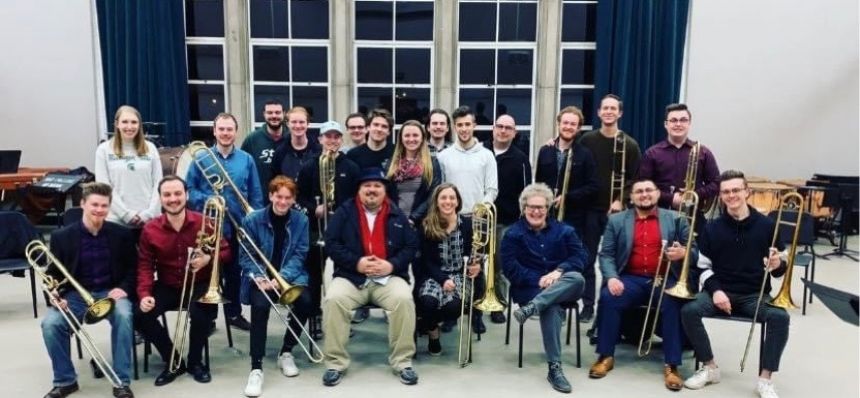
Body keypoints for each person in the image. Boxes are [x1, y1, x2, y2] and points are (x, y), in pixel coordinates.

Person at [681, 170, 790, 398]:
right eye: (726, 192)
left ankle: (765, 379)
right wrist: (717, 291)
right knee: (689, 311)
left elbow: (781, 269)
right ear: (721, 196)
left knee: (780, 317)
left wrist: (777, 263)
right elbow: (702, 266)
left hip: (754, 295)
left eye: (736, 190)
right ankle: (710, 368)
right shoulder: (712, 227)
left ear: (747, 192)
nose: (731, 195)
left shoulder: (767, 226)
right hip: (720, 291)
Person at [588, 178, 697, 391]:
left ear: (657, 194)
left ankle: (672, 365)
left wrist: (684, 253)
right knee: (610, 298)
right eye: (639, 191)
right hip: (630, 278)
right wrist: (611, 278)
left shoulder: (676, 219)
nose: (644, 194)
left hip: (665, 279)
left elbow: (694, 252)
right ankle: (605, 356)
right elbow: (606, 254)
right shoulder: (617, 220)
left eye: (649, 190)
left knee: (672, 303)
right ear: (631, 197)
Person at [320, 167, 419, 386]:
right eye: (367, 186)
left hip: (388, 277)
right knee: (334, 300)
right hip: (351, 277)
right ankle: (335, 363)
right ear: (359, 190)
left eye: (377, 186)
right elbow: (331, 244)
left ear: (385, 191)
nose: (372, 190)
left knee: (403, 300)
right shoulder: (345, 212)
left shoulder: (396, 213)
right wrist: (357, 262)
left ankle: (403, 362)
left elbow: (411, 246)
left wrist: (390, 265)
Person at [40, 182, 136, 398]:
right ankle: (65, 381)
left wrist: (123, 288)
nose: (99, 210)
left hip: (110, 292)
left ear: (109, 208)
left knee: (124, 315)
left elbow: (133, 269)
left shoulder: (121, 234)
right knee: (50, 324)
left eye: (104, 206)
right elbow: (53, 273)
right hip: (75, 295)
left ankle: (121, 381)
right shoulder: (62, 237)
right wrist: (54, 294)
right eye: (94, 204)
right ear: (82, 204)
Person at [135, 176, 231, 386]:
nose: (173, 199)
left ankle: (195, 362)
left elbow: (226, 252)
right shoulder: (150, 229)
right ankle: (173, 359)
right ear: (160, 199)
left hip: (199, 283)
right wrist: (144, 295)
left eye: (177, 193)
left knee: (200, 313)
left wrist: (208, 258)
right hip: (168, 284)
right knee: (140, 315)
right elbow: (144, 266)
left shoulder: (204, 222)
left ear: (186, 195)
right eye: (167, 194)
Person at [504, 183, 588, 394]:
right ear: (524, 208)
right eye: (531, 206)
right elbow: (510, 269)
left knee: (577, 278)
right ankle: (555, 367)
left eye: (541, 207)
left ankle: (532, 308)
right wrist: (540, 279)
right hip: (530, 288)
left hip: (565, 284)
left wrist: (558, 272)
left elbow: (581, 257)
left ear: (548, 208)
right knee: (550, 306)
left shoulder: (565, 231)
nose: (536, 211)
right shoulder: (513, 234)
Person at [186, 112, 264, 331]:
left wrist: (254, 218)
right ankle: (206, 319)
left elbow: (256, 194)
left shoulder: (246, 159)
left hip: (238, 226)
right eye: (221, 129)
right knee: (207, 274)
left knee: (234, 274)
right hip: (209, 227)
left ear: (235, 132)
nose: (225, 133)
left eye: (229, 129)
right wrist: (211, 200)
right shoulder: (201, 158)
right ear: (214, 131)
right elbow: (189, 191)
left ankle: (234, 314)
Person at [241, 176, 313, 397]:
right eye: (278, 196)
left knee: (306, 302)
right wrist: (258, 277)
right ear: (271, 195)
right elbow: (245, 256)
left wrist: (282, 277)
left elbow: (300, 253)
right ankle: (256, 367)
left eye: (287, 198)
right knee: (260, 307)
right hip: (261, 278)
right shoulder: (252, 220)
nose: (282, 202)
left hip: (290, 276)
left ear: (293, 200)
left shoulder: (301, 220)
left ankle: (286, 351)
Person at [578, 94, 642, 324]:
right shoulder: (587, 140)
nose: (608, 112)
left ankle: (606, 305)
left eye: (613, 108)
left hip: (617, 212)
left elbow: (636, 179)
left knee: (612, 260)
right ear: (598, 112)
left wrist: (620, 199)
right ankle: (587, 305)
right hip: (590, 209)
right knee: (587, 258)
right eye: (605, 108)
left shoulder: (630, 144)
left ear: (620, 113)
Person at [437, 105, 499, 334]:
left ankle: (476, 315)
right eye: (460, 125)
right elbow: (441, 189)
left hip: (477, 218)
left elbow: (492, 189)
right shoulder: (444, 156)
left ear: (474, 126)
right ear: (454, 127)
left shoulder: (486, 155)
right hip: (450, 219)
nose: (464, 129)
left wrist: (481, 210)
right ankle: (452, 314)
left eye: (467, 124)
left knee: (476, 268)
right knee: (452, 266)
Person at [296, 120, 360, 335]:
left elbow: (356, 198)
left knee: (343, 275)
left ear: (342, 140)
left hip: (343, 230)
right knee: (315, 275)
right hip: (316, 228)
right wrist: (314, 208)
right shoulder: (309, 165)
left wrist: (342, 211)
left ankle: (342, 318)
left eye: (336, 137)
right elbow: (299, 196)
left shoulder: (350, 166)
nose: (332, 141)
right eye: (328, 136)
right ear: (320, 139)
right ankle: (315, 316)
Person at [535, 106, 598, 321]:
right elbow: (538, 182)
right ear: (558, 123)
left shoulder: (585, 154)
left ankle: (588, 306)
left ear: (578, 128)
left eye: (573, 124)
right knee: (553, 261)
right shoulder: (546, 150)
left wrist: (567, 196)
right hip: (550, 217)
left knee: (581, 260)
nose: (568, 126)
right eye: (565, 122)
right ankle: (557, 306)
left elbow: (592, 186)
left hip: (576, 217)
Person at [414, 183, 476, 356]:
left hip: (459, 275)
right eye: (443, 198)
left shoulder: (467, 224)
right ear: (436, 201)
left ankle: (428, 323)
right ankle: (433, 333)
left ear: (457, 202)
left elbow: (474, 252)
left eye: (452, 198)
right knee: (427, 302)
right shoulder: (427, 225)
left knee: (453, 307)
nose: (448, 201)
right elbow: (426, 261)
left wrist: (476, 263)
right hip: (433, 275)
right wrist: (442, 280)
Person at [483, 114, 532, 324]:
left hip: (505, 220)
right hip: (478, 218)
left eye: (508, 128)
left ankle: (498, 304)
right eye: (499, 126)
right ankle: (471, 305)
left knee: (499, 266)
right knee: (473, 263)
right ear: (493, 128)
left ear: (514, 132)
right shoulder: (480, 151)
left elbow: (526, 192)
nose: (503, 131)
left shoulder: (520, 158)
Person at [637, 103, 720, 229]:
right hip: (659, 218)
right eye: (673, 120)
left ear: (689, 123)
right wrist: (670, 198)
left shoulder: (703, 152)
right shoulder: (652, 154)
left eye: (683, 120)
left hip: (694, 218)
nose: (678, 124)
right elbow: (641, 187)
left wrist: (693, 196)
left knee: (694, 248)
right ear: (666, 124)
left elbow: (716, 183)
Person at [94, 105, 163, 241]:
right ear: (117, 124)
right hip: (116, 221)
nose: (129, 126)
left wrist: (148, 214)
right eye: (125, 122)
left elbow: (159, 183)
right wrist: (126, 214)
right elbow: (104, 187)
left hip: (149, 221)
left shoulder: (151, 148)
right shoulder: (103, 150)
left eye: (134, 122)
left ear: (139, 125)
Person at [385, 120, 443, 224]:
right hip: (395, 221)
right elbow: (386, 194)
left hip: (422, 223)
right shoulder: (392, 163)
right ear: (401, 139)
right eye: (407, 135)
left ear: (422, 138)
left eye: (415, 135)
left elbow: (434, 194)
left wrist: (413, 218)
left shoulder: (432, 163)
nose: (411, 139)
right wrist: (397, 217)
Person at [242, 99, 287, 201]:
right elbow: (243, 170)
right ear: (264, 114)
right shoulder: (252, 139)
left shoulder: (291, 137)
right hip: (260, 201)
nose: (274, 116)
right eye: (270, 112)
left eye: (278, 112)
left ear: (284, 114)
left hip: (287, 201)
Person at [270, 106, 321, 182]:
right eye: (294, 122)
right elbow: (274, 183)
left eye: (301, 122)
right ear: (288, 124)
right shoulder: (280, 153)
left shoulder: (318, 151)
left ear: (308, 123)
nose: (298, 126)